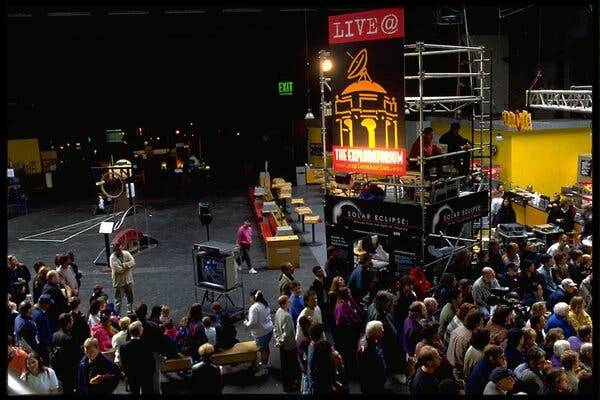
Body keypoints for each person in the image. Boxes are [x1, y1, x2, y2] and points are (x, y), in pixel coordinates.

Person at [119, 320, 155, 395]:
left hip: (132, 374)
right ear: (140, 332)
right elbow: (151, 361)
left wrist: (127, 374)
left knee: (134, 391)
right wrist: (151, 372)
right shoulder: (146, 345)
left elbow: (124, 363)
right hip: (145, 373)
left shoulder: (123, 347)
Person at [244, 289, 273, 377]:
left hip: (261, 332)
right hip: (268, 329)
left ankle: (264, 368)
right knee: (265, 347)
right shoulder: (265, 304)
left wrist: (246, 323)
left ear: (253, 297)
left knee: (263, 350)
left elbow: (253, 322)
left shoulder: (254, 308)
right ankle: (266, 363)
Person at [273, 295, 300, 393]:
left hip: (282, 346)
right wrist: (281, 341)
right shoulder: (287, 316)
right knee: (292, 365)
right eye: (288, 301)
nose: (290, 302)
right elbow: (287, 333)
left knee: (285, 366)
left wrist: (277, 341)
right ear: (284, 304)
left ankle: (287, 385)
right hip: (289, 345)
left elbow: (275, 327)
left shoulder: (278, 312)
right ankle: (292, 383)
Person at [356, 320, 387, 394]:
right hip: (372, 384)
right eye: (381, 329)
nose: (383, 330)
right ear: (375, 333)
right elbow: (369, 372)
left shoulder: (368, 337)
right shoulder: (367, 350)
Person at [109, 243, 135, 316]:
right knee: (118, 299)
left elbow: (133, 262)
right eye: (117, 250)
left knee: (130, 296)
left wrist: (124, 265)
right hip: (119, 282)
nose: (120, 251)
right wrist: (128, 266)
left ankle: (129, 310)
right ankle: (118, 313)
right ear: (115, 250)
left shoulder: (126, 253)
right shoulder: (112, 258)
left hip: (128, 280)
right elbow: (119, 270)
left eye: (120, 249)